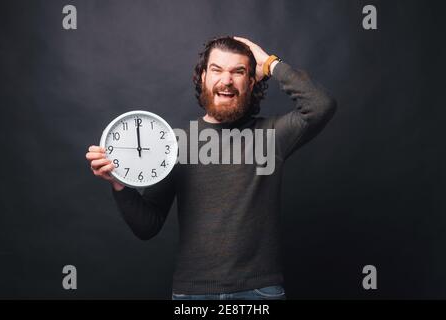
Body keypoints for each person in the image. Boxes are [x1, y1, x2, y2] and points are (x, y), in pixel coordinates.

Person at [85, 36, 337, 300]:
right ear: (203, 77)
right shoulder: (175, 144)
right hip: (191, 295)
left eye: (238, 72)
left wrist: (269, 62)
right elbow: (147, 226)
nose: (226, 80)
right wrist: (117, 183)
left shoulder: (271, 135)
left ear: (251, 82)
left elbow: (320, 105)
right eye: (216, 70)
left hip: (259, 293)